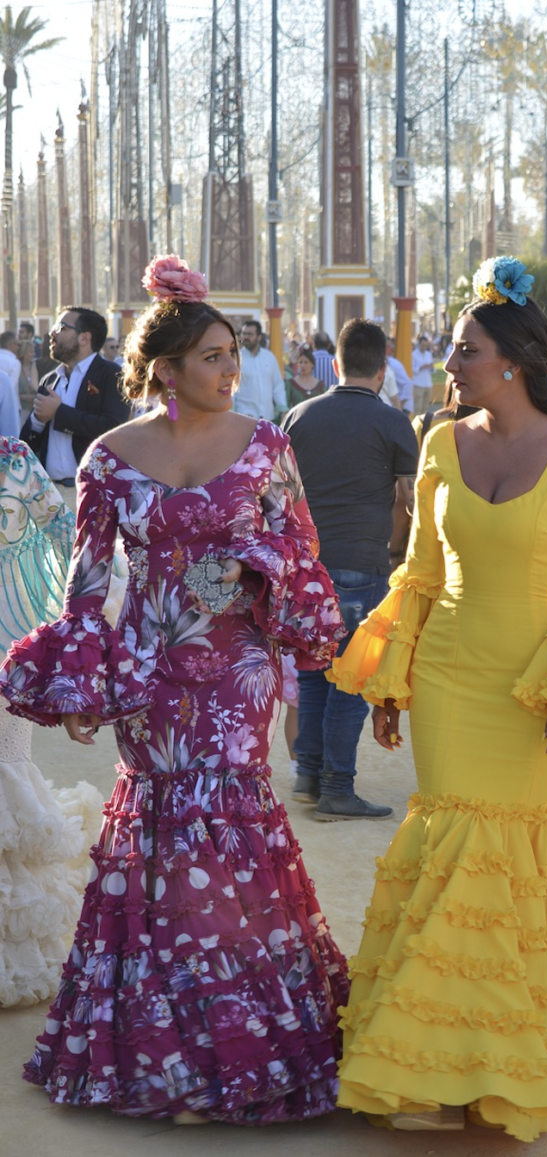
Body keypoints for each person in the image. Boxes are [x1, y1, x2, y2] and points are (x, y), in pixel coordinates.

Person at [327, 256, 547, 1138]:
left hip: (535, 686)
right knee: (453, 848)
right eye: (454, 348)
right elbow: (418, 572)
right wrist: (391, 680)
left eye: (466, 349)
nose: (449, 363)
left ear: (515, 361)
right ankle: (446, 1064)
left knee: (510, 859)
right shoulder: (438, 442)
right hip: (446, 679)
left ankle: (495, 1065)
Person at [0, 254, 349, 1124]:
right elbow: (87, 585)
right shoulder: (109, 458)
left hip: (238, 669)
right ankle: (165, 1047)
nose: (232, 372)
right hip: (149, 672)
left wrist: (255, 567)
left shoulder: (267, 445)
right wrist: (81, 683)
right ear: (166, 369)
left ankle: (243, 1039)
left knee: (228, 815)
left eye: (232, 356)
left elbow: (300, 550)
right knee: (160, 825)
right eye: (213, 358)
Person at [282, 318, 419, 821]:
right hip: (361, 564)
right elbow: (409, 500)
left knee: (314, 673)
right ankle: (337, 788)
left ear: (336, 364)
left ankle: (308, 776)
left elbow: (279, 495)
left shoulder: (298, 415)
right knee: (351, 678)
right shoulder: (394, 422)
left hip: (305, 568)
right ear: (383, 370)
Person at [0, 436, 102, 1008]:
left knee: (6, 775)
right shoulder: (13, 460)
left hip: (5, 654)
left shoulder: (13, 459)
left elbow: (70, 538)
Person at [20, 307, 129, 488]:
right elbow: (28, 441)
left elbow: (113, 428)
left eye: (61, 327)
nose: (52, 333)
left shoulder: (111, 375)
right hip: (50, 491)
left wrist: (58, 413)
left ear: (84, 338)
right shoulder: (50, 379)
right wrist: (38, 420)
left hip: (92, 490)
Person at [233, 318, 287, 422]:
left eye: (250, 334)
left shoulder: (269, 357)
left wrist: (283, 409)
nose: (246, 337)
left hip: (267, 418)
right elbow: (232, 389)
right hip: (244, 417)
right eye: (244, 334)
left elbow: (278, 385)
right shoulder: (236, 359)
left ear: (259, 337)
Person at [284, 346, 325, 411]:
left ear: (312, 364)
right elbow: (286, 406)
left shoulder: (320, 385)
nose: (303, 365)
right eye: (300, 362)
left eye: (306, 362)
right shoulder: (291, 383)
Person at [386, 337, 414, 414]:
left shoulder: (393, 364)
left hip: (401, 407)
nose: (391, 349)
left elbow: (408, 383)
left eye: (390, 347)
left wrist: (400, 405)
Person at [411, 335, 435, 414]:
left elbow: (433, 370)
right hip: (418, 384)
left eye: (426, 345)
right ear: (419, 344)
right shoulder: (413, 355)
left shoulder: (428, 354)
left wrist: (431, 367)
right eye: (423, 345)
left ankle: (423, 421)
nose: (424, 347)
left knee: (425, 407)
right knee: (417, 407)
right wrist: (421, 367)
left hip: (428, 383)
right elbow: (411, 369)